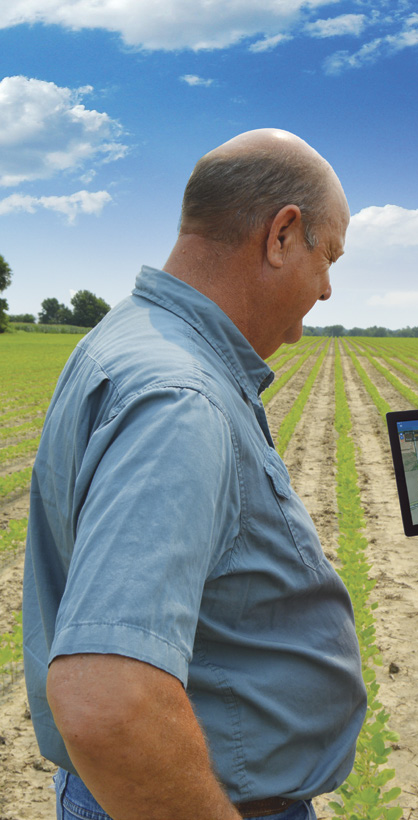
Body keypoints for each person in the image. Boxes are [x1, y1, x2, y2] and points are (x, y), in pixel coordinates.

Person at [22, 129, 367, 820]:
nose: (327, 289)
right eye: (327, 257)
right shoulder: (181, 399)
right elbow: (107, 701)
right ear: (281, 234)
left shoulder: (130, 339)